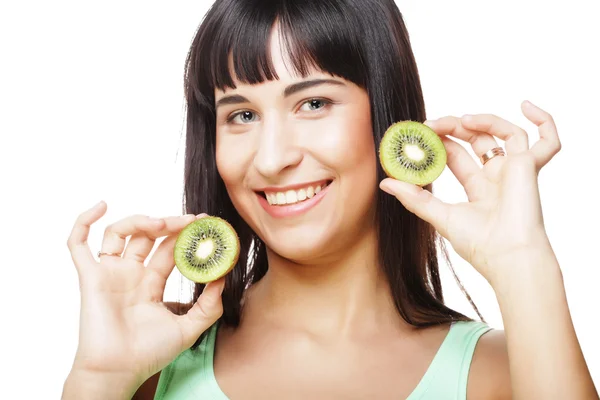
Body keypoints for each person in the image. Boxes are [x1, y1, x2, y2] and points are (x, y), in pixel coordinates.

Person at [61, 0, 598, 399]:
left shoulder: (503, 375)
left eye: (313, 102)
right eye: (241, 115)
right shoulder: (150, 364)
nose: (271, 159)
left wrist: (524, 267)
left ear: (386, 118)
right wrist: (100, 379)